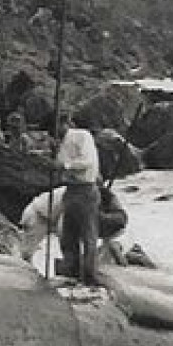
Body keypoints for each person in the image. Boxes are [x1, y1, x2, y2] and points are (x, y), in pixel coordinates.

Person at [18, 182, 131, 268]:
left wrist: (124, 265)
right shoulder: (80, 201)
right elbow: (63, 231)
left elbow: (110, 242)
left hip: (54, 213)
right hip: (38, 215)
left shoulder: (112, 203)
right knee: (26, 256)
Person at [54, 113, 102, 285]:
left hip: (86, 190)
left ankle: (90, 275)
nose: (54, 132)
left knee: (88, 234)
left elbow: (87, 161)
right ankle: (72, 272)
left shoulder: (82, 136)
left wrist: (65, 166)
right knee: (69, 235)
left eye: (56, 127)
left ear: (65, 123)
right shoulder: (61, 144)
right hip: (71, 190)